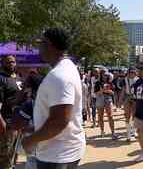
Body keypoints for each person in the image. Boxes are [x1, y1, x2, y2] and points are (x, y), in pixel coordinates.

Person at [22, 28, 85, 169]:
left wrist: (29, 140)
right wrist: (36, 127)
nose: (39, 47)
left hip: (57, 155)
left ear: (49, 45)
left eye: (40, 43)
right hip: (62, 151)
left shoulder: (59, 75)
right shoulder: (67, 67)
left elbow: (59, 121)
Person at [0, 55, 22, 169]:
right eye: (8, 62)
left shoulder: (17, 77)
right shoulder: (1, 78)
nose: (11, 64)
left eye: (13, 62)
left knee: (14, 154)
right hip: (7, 123)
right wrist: (2, 122)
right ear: (3, 63)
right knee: (5, 155)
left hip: (18, 122)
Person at [95, 71, 117, 139]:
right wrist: (102, 90)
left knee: (110, 116)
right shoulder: (98, 83)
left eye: (106, 75)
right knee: (100, 116)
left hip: (108, 99)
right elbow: (96, 93)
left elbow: (113, 92)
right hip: (100, 99)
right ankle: (102, 131)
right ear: (101, 75)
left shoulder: (110, 83)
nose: (105, 76)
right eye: (103, 75)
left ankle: (113, 132)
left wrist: (108, 91)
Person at [121, 68, 138, 141]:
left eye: (133, 72)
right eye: (130, 72)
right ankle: (128, 134)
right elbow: (123, 90)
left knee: (134, 116)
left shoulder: (138, 80)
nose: (132, 74)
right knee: (127, 116)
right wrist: (120, 100)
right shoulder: (125, 79)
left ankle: (133, 131)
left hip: (135, 98)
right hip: (128, 97)